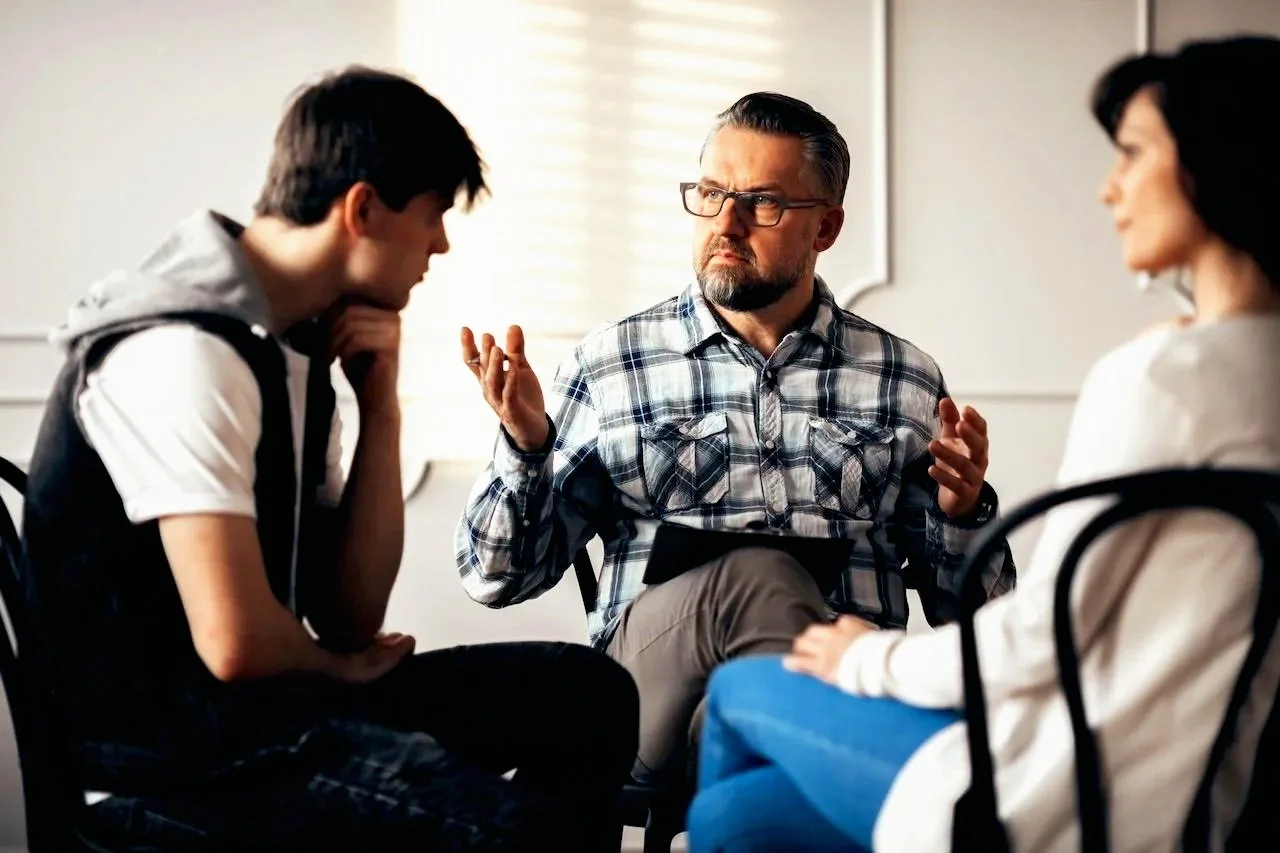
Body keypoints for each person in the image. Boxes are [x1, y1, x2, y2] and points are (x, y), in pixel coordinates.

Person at [20, 66, 637, 851]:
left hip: (268, 717)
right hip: (170, 767)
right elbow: (238, 640)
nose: (440, 245)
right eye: (433, 216)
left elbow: (349, 615)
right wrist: (343, 673)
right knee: (513, 830)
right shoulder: (183, 350)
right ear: (363, 209)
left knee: (587, 694)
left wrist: (381, 407)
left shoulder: (292, 347)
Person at [688, 34, 1280, 852]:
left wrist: (871, 659)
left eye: (1134, 153)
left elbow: (1044, 633)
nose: (1110, 188)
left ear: (1219, 165)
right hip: (1209, 792)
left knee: (743, 690)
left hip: (1066, 787)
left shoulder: (1164, 379)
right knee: (729, 819)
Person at [455, 91, 1015, 786]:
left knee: (750, 760)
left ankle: (799, 756)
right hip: (645, 704)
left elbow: (982, 619)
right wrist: (527, 446)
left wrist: (962, 517)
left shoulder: (902, 377)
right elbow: (495, 577)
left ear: (827, 227)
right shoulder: (612, 362)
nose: (726, 222)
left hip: (764, 723)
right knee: (756, 578)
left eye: (764, 202)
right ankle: (891, 778)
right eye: (712, 193)